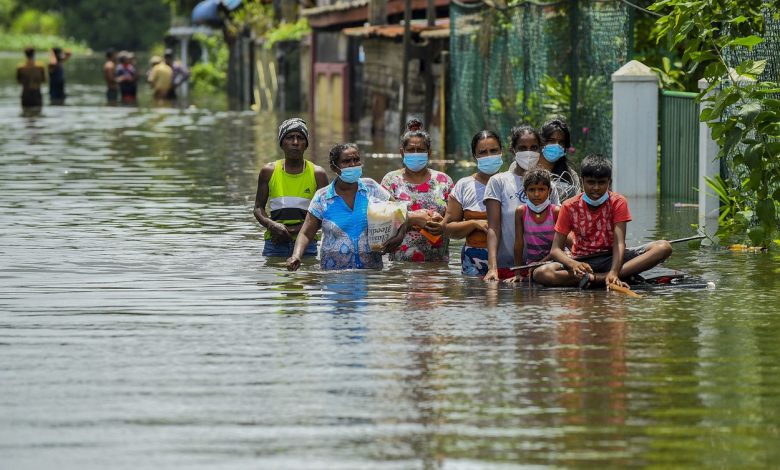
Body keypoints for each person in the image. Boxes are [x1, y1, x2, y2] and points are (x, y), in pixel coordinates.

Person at [533, 154, 672, 288]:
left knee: (663, 247)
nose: (596, 188)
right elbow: (556, 250)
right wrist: (572, 264)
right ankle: (611, 277)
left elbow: (619, 243)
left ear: (609, 182)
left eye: (601, 183)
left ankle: (601, 278)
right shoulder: (568, 206)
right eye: (591, 182)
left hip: (612, 258)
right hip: (582, 261)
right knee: (541, 273)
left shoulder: (618, 202)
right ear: (582, 182)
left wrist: (614, 270)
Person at [286, 143, 405, 271]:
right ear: (334, 167)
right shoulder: (323, 197)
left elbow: (400, 211)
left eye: (356, 160)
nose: (353, 164)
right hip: (333, 277)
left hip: (370, 276)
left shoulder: (371, 187)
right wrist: (296, 256)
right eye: (346, 161)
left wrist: (400, 236)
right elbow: (306, 233)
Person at [483, 124, 559, 281]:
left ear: (540, 149)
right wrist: (492, 268)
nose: (528, 153)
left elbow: (559, 229)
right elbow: (493, 228)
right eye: (523, 148)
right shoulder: (499, 182)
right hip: (507, 267)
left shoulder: (549, 184)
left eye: (534, 147)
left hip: (542, 268)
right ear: (513, 150)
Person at [254, 118, 328, 258]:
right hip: (274, 242)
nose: (295, 143)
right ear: (281, 143)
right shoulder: (269, 171)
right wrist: (272, 226)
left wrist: (291, 230)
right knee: (275, 277)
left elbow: (324, 214)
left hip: (306, 243)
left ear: (306, 144)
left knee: (306, 278)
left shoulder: (318, 174)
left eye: (300, 138)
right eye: (289, 138)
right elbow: (258, 208)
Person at [381, 129, 454, 262]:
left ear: (429, 152)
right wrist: (413, 219)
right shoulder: (391, 180)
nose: (415, 154)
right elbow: (381, 220)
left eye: (420, 150)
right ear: (402, 152)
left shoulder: (444, 181)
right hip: (401, 266)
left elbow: (455, 219)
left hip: (437, 265)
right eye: (411, 149)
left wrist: (442, 223)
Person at [443, 130, 504, 276]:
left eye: (494, 151)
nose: (489, 156)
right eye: (483, 152)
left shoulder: (513, 183)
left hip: (508, 261)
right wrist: (474, 223)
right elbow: (447, 228)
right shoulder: (464, 186)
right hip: (473, 263)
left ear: (502, 151)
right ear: (475, 156)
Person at [510, 168, 560, 282]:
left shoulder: (556, 211)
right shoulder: (521, 211)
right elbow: (518, 243)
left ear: (550, 191)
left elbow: (560, 247)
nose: (536, 194)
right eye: (532, 190)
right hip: (532, 265)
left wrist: (541, 263)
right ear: (525, 192)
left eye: (541, 189)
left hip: (555, 262)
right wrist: (517, 273)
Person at [538, 117, 582, 202]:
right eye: (551, 140)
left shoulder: (570, 176)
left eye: (561, 142)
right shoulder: (525, 168)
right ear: (541, 142)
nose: (557, 145)